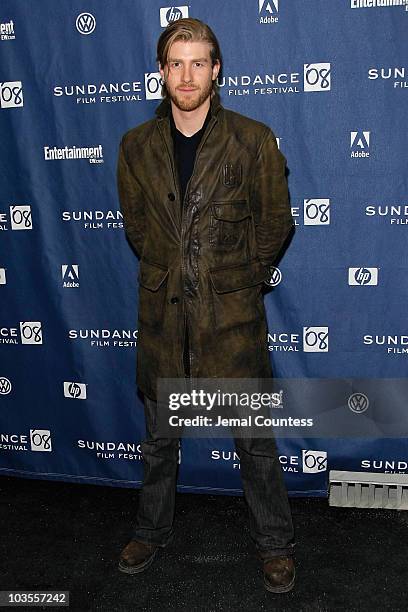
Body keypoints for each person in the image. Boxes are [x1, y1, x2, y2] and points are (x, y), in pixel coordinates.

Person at [116, 18, 296, 593]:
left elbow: (275, 225)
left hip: (232, 319)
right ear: (162, 72)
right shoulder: (135, 147)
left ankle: (274, 544)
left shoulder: (253, 140)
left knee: (255, 444)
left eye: (199, 63)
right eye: (176, 63)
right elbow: (139, 230)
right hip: (164, 314)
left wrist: (232, 282)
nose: (187, 75)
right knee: (160, 438)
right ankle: (151, 529)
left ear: (217, 70)